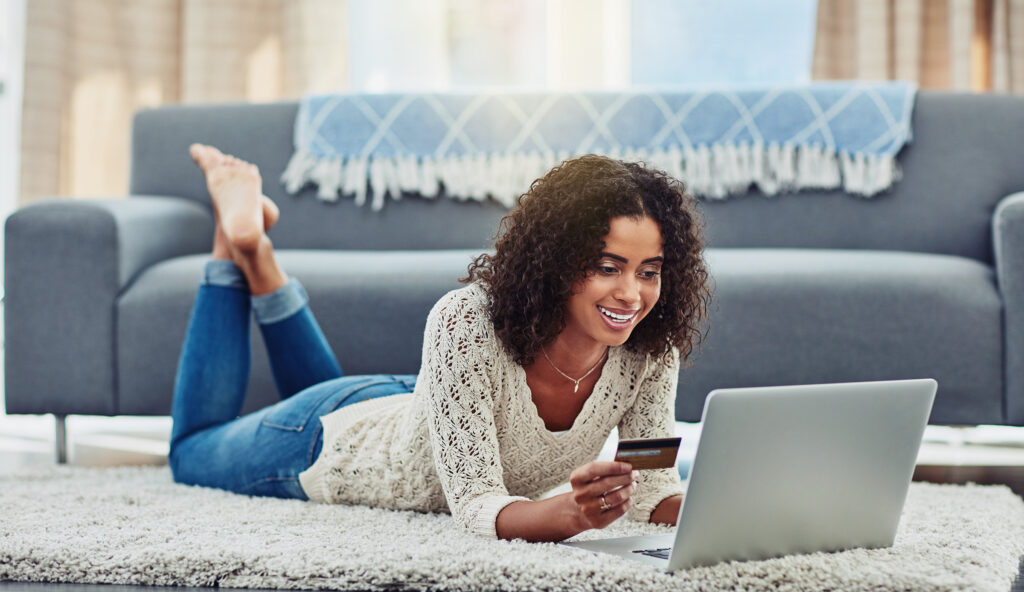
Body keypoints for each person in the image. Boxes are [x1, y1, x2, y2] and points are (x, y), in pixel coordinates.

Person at [169, 144, 710, 542]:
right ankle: (232, 241)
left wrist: (728, 508)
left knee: (325, 389)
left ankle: (260, 256)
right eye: (607, 267)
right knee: (190, 452)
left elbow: (653, 487)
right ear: (558, 262)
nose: (631, 294)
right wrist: (573, 512)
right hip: (329, 444)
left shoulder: (649, 349)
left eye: (649, 271)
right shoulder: (467, 322)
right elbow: (476, 507)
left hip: (411, 406)